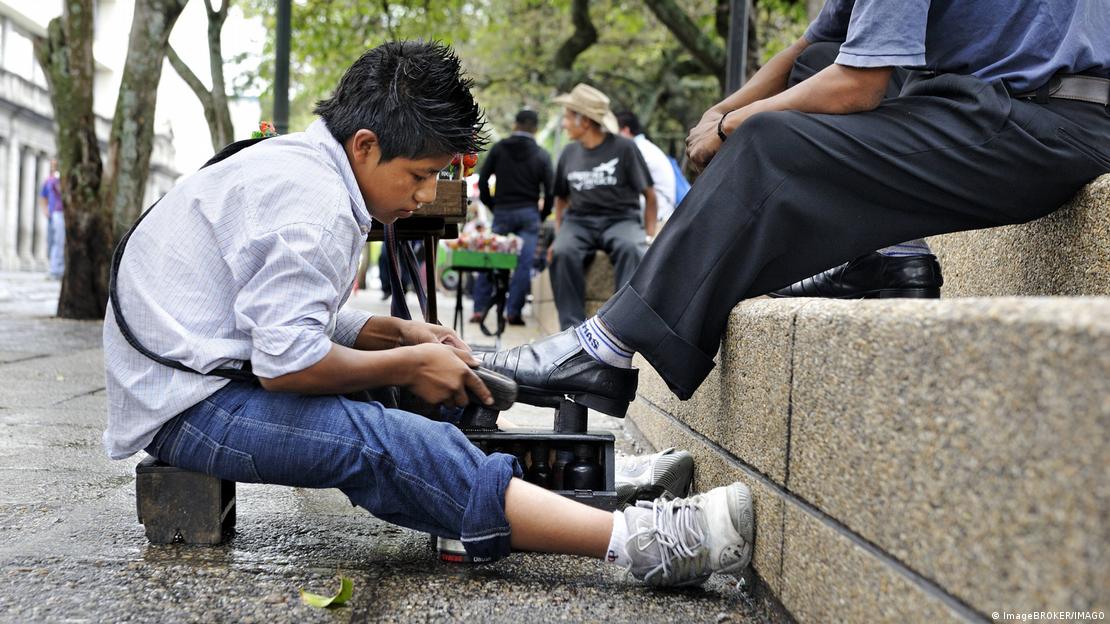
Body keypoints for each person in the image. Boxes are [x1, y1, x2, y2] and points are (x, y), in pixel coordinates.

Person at [102, 41, 753, 588]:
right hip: (187, 404)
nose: (420, 197)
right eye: (418, 175)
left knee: (427, 385)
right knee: (375, 440)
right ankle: (641, 545)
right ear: (364, 144)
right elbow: (286, 362)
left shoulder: (309, 172)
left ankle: (563, 487)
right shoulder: (316, 205)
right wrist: (411, 362)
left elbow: (276, 319)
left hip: (208, 368)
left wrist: (398, 334)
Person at [479, 0, 1110, 413]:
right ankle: (886, 255)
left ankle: (605, 348)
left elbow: (857, 88)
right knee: (797, 84)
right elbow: (815, 48)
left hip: (1049, 122)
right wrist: (723, 108)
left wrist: (734, 127)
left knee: (770, 142)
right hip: (1011, 107)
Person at [549, 84, 657, 331]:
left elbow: (649, 196)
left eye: (567, 117)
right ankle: (571, 331)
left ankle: (621, 327)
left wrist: (649, 235)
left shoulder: (624, 148)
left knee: (632, 249)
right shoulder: (568, 152)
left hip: (621, 219)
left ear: (584, 121)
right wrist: (559, 234)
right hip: (579, 221)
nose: (564, 124)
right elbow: (561, 198)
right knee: (562, 252)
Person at [471, 109, 555, 325]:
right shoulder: (541, 154)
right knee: (523, 265)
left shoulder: (499, 149)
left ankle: (479, 309)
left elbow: (482, 182)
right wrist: (542, 214)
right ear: (535, 128)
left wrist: (493, 206)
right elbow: (551, 190)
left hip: (503, 212)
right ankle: (513, 312)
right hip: (529, 214)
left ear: (516, 125)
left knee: (490, 259)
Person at [616, 111, 677, 225]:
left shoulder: (639, 150)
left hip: (659, 214)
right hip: (661, 208)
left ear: (625, 131)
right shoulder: (643, 147)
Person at [39, 160, 64, 280]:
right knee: (53, 242)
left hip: (62, 212)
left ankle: (57, 270)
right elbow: (43, 196)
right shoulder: (49, 180)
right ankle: (54, 268)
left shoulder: (61, 179)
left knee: (60, 241)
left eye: (56, 164)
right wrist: (45, 210)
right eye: (52, 164)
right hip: (54, 213)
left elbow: (60, 191)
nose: (54, 166)